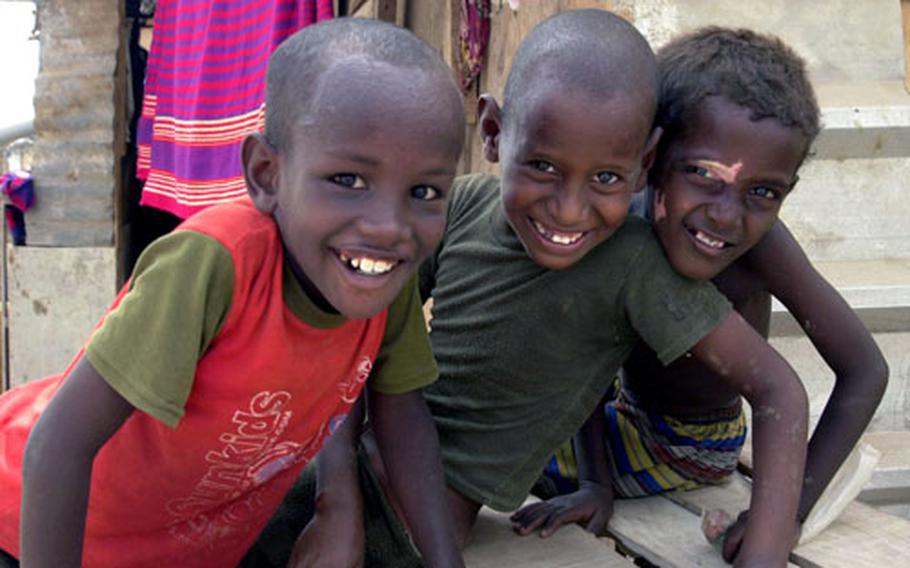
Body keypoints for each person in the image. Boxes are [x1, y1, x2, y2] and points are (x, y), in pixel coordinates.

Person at [246, 10, 808, 568]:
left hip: (406, 530)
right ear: (492, 132)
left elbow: (779, 390)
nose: (568, 209)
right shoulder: (462, 205)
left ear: (645, 164)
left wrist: (764, 552)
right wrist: (335, 498)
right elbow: (359, 342)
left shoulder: (635, 264)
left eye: (606, 178)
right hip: (327, 469)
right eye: (542, 165)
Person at [0, 18, 467, 568]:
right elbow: (57, 444)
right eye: (348, 180)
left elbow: (402, 418)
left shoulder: (385, 282)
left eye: (424, 192)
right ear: (266, 175)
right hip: (29, 527)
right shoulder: (215, 263)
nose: (391, 226)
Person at [531, 27, 889, 562]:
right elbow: (578, 362)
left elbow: (865, 370)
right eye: (701, 174)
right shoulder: (617, 226)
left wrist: (789, 512)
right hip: (620, 419)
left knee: (502, 450)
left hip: (689, 448)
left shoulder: (763, 246)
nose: (726, 214)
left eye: (762, 192)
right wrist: (595, 483)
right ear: (651, 158)